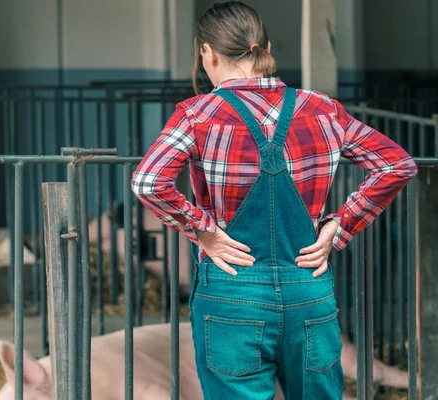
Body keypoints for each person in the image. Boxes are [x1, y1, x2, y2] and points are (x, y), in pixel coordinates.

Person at [131, 2, 418, 399]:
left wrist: (203, 231)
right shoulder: (321, 108)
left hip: (232, 292)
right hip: (308, 287)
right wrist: (342, 225)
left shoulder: (196, 114)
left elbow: (148, 182)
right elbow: (397, 165)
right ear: (264, 46)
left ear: (207, 53)